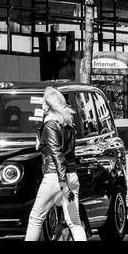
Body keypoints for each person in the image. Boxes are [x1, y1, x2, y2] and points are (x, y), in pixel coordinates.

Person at [24, 86, 88, 241]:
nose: (41, 107)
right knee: (74, 222)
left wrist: (62, 184)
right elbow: (68, 154)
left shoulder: (51, 125)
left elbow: (57, 156)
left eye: (43, 104)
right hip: (72, 176)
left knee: (35, 218)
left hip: (55, 178)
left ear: (48, 106)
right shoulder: (69, 126)